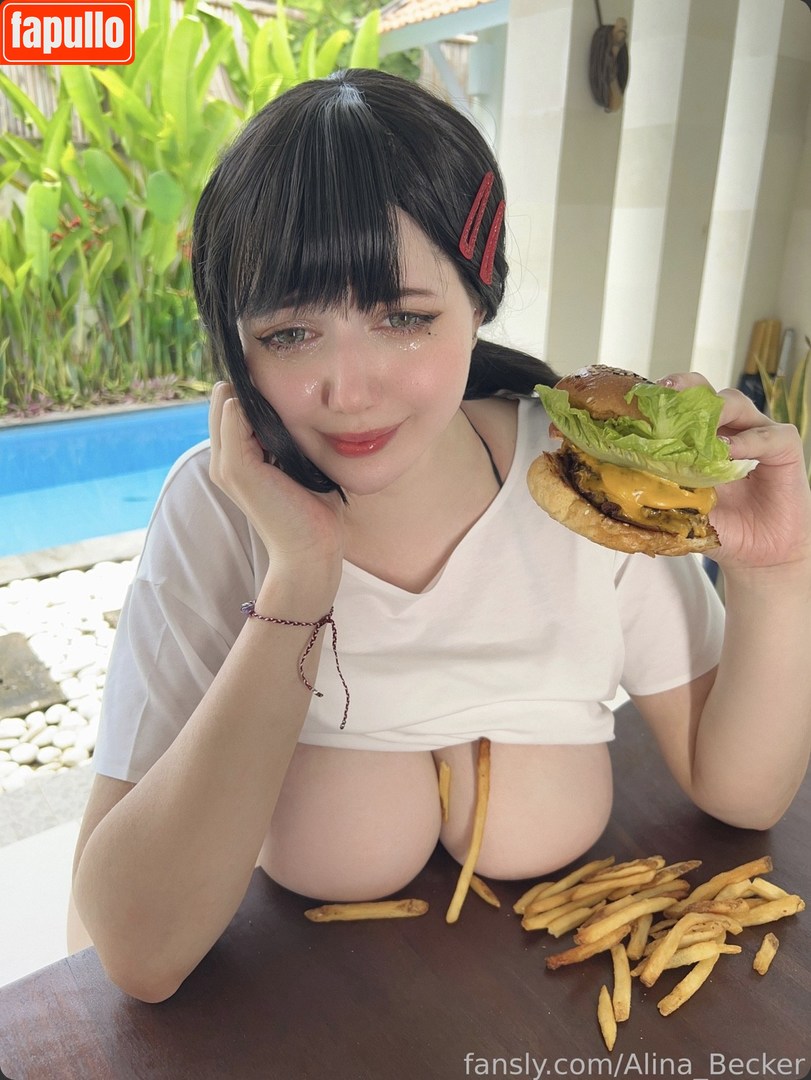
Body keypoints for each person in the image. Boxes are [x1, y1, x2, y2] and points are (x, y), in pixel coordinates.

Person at [69, 69, 811, 1003]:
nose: (350, 391)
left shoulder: (582, 478)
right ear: (235, 343)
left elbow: (741, 793)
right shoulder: (217, 509)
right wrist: (299, 579)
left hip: (554, 1011)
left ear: (477, 299)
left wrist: (777, 571)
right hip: (305, 1027)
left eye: (403, 319)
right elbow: (135, 953)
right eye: (291, 334)